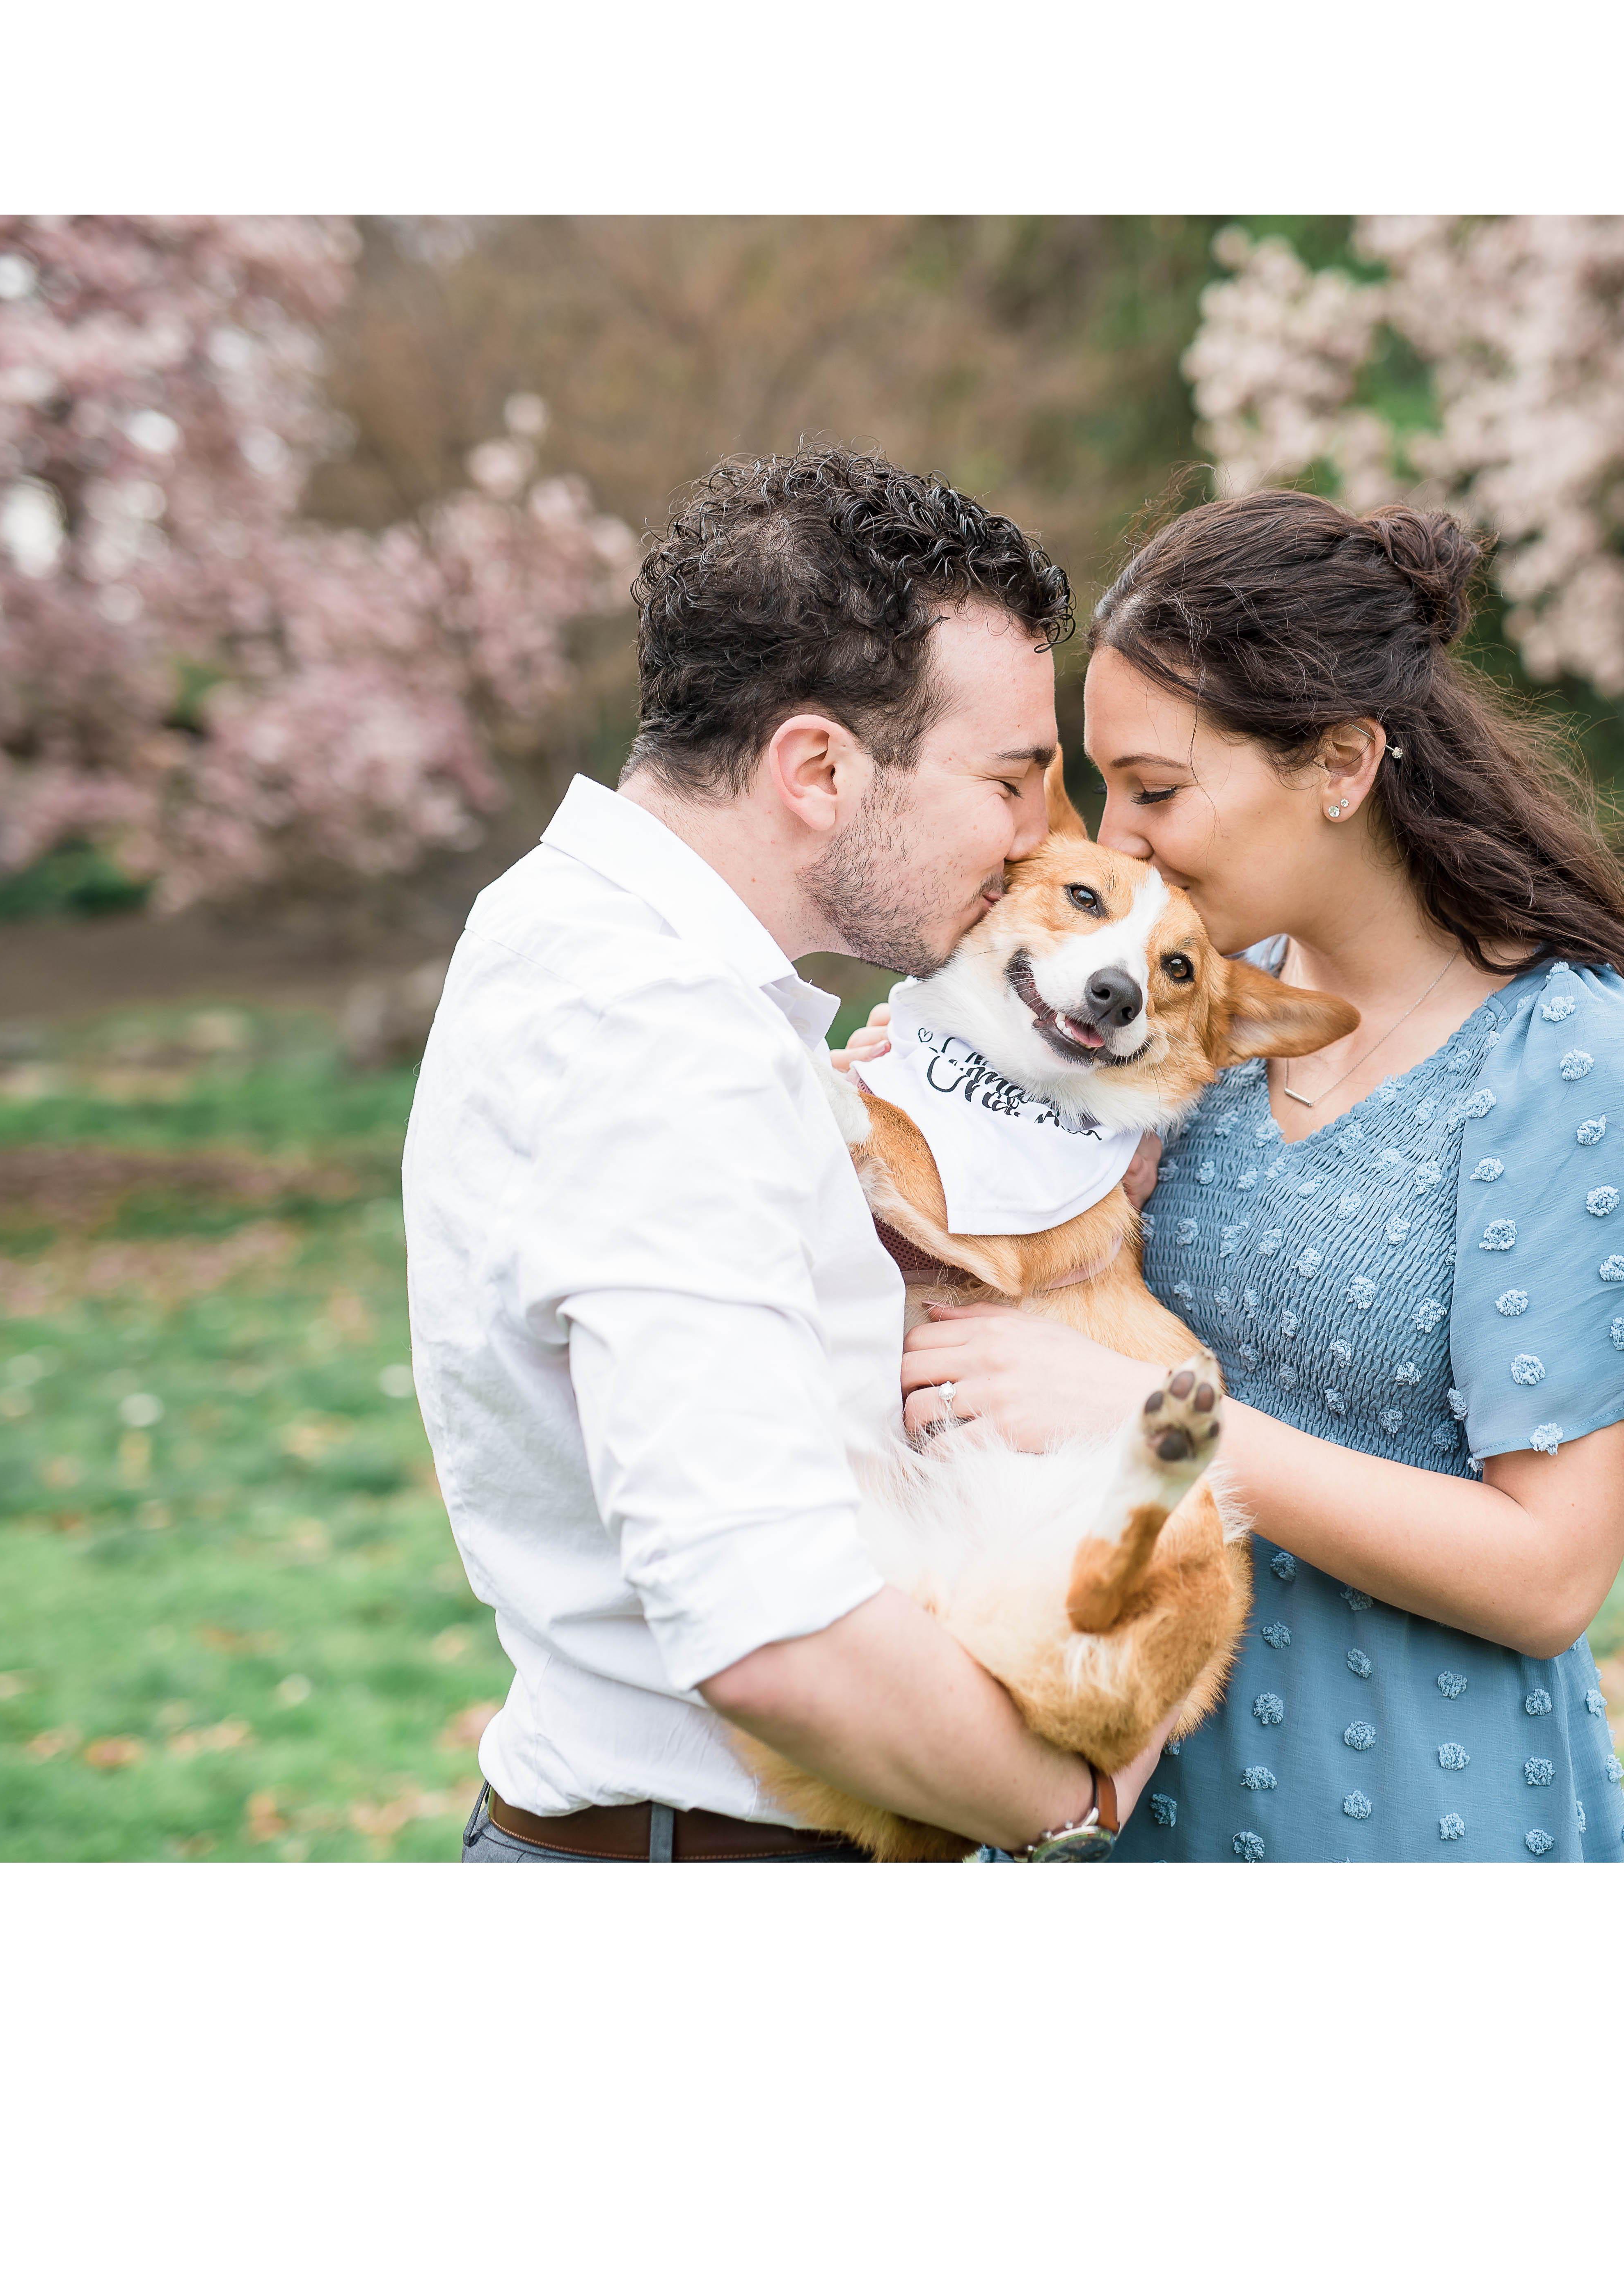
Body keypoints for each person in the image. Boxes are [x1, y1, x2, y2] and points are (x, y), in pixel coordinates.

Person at [898, 488, 1624, 1861]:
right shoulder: (1192, 1006)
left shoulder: (1561, 1054)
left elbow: (1551, 1573)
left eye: (1156, 789)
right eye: (1103, 787)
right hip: (1110, 1786)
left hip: (1407, 1806)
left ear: (1340, 763)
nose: (1118, 836)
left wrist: (1160, 1417)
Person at [404, 446, 1169, 1863]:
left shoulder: (576, 939)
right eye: (1008, 780)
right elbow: (771, 1631)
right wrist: (1068, 1806)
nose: (1034, 839)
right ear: (817, 767)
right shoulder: (661, 1039)